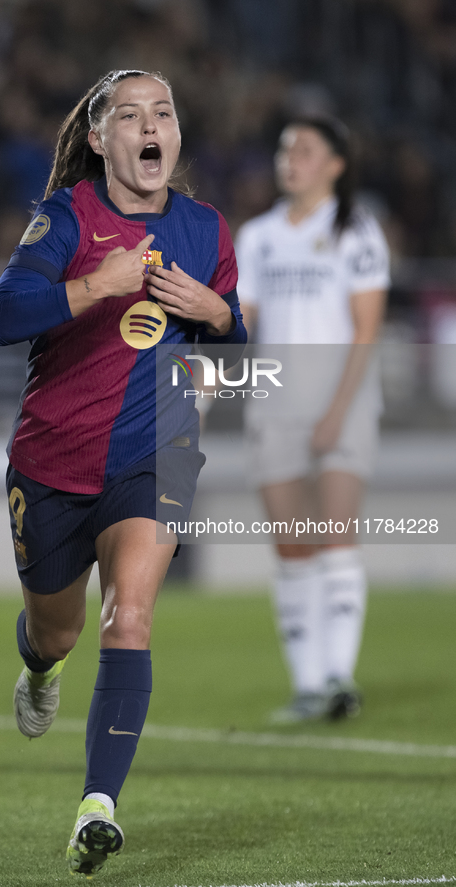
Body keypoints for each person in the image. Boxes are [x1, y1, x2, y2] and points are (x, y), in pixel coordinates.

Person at [0, 69, 246, 876]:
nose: (148, 125)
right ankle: (38, 664)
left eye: (161, 111)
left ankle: (98, 805)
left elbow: (240, 356)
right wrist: (98, 283)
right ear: (100, 141)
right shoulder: (65, 218)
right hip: (54, 460)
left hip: (156, 450)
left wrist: (218, 315)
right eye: (128, 115)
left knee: (128, 620)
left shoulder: (206, 228)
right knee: (57, 630)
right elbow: (0, 318)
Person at [235, 117, 389, 724]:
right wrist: (200, 392)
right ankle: (306, 686)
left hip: (343, 404)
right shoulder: (259, 236)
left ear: (335, 164)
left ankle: (337, 676)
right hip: (275, 404)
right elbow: (240, 328)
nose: (289, 159)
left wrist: (336, 411)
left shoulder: (356, 232)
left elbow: (367, 330)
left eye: (304, 149)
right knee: (292, 546)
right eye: (283, 148)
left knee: (335, 535)